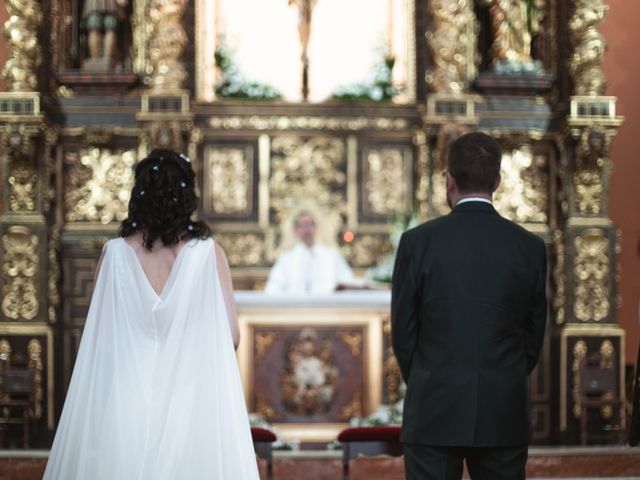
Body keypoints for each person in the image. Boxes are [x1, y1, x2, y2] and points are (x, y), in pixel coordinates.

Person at [44, 150, 259, 479]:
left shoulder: (114, 253)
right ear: (187, 195)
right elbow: (230, 336)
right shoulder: (207, 254)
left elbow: (100, 336)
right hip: (188, 397)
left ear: (139, 195)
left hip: (126, 395)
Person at [391, 132, 547, 480]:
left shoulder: (417, 243)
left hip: (433, 410)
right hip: (502, 410)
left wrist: (427, 379)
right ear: (497, 181)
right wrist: (503, 377)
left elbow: (403, 333)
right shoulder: (530, 248)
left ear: (448, 179)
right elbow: (534, 336)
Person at [265, 208, 354, 294]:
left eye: (309, 224)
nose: (306, 229)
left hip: (326, 306)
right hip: (295, 307)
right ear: (296, 230)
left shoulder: (331, 254)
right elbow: (275, 286)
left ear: (316, 227)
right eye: (302, 225)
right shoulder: (287, 257)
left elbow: (346, 281)